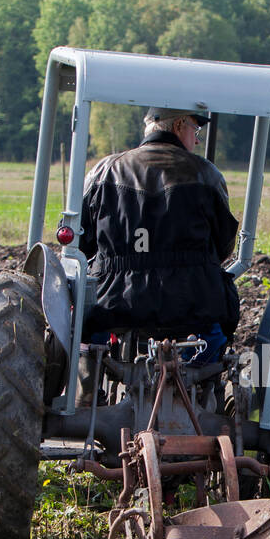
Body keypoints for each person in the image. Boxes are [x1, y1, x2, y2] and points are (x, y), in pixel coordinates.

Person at [77, 106, 240, 365]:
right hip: (194, 303)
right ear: (178, 126)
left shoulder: (103, 172)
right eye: (195, 130)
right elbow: (224, 246)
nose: (197, 140)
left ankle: (87, 392)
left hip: (111, 302)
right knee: (215, 341)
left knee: (83, 341)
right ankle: (196, 387)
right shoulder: (206, 174)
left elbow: (82, 243)